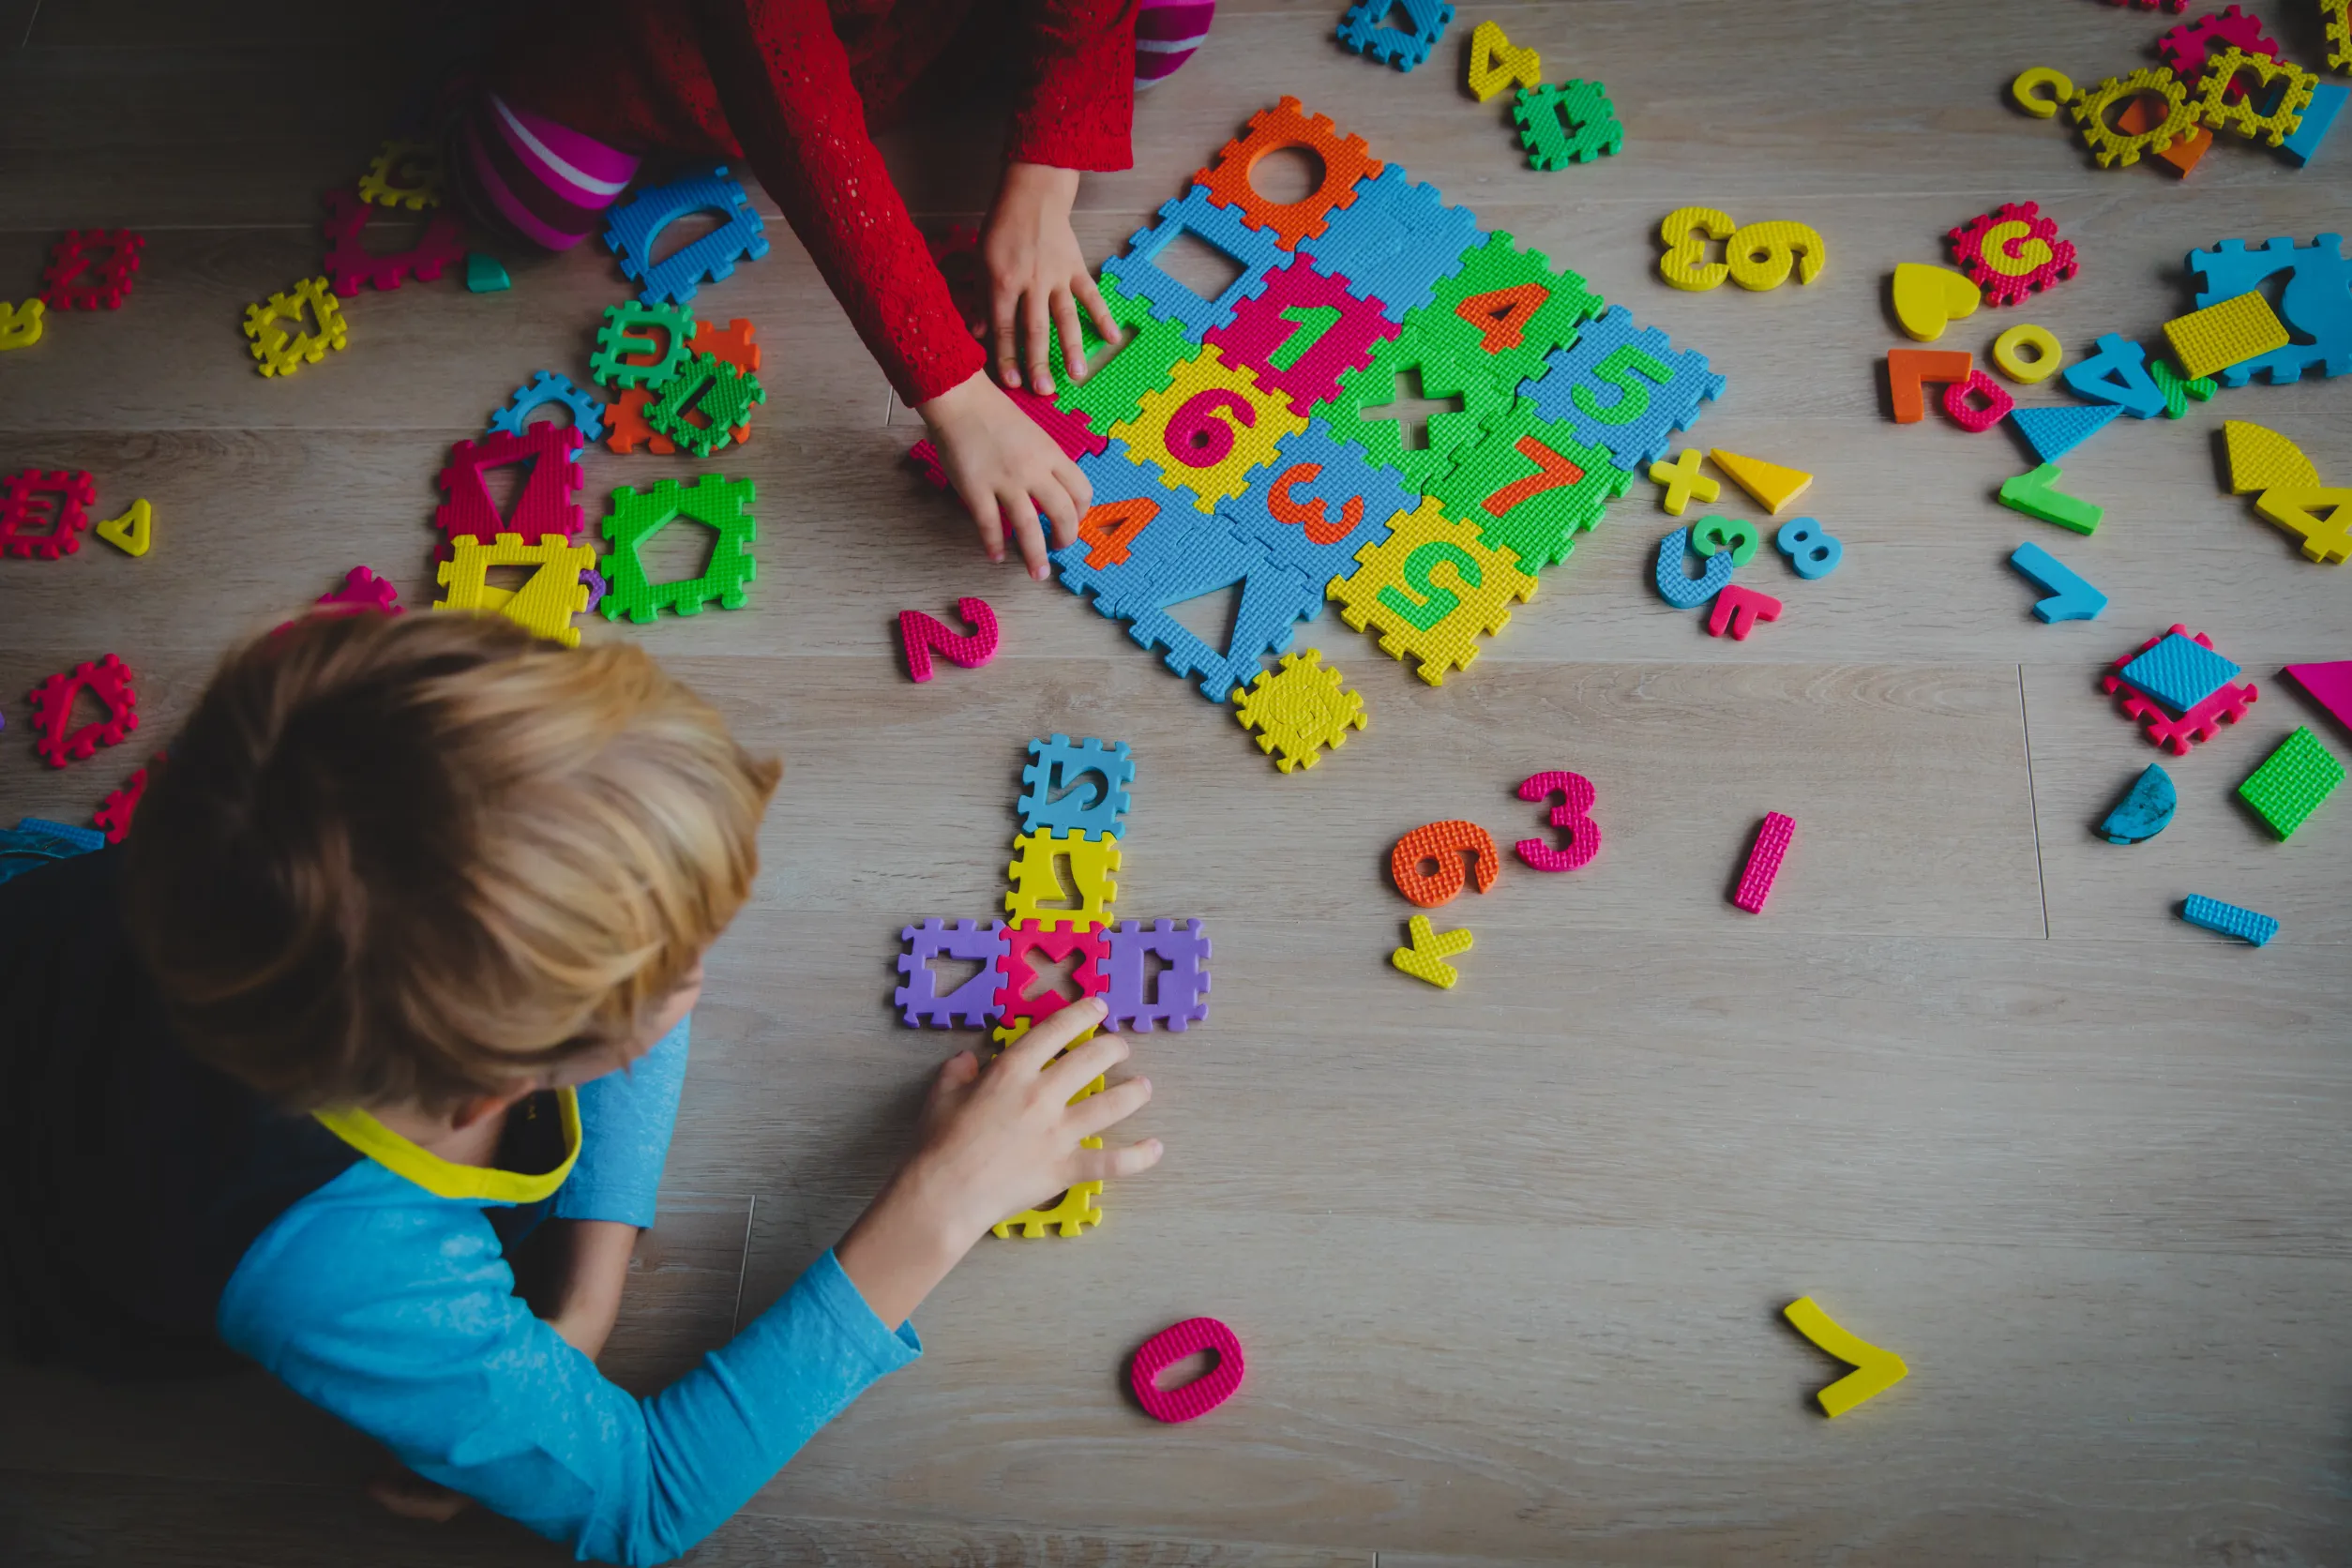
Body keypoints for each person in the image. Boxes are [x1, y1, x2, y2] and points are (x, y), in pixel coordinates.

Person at [0, 611, 1161, 1562]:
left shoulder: (253, 822)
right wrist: (941, 1203)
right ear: (484, 1092)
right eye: (672, 973)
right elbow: (641, 1505)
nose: (698, 978)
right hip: (75, 1251)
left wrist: (585, 1300)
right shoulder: (351, 1270)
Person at [450, 0, 1214, 581]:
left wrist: (1043, 183)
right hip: (709, 53)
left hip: (941, 23)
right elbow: (797, 120)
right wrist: (958, 397)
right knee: (531, 194)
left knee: (1173, 25)